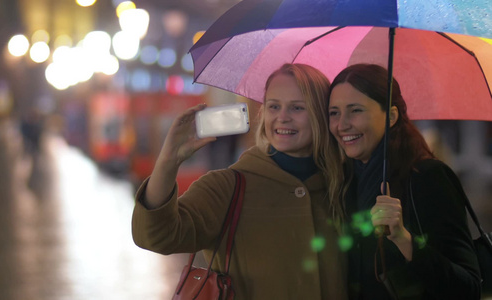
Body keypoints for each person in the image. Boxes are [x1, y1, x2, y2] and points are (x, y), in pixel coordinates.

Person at [132, 63, 347, 299]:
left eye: (297, 108)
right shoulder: (228, 186)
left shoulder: (342, 184)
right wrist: (168, 162)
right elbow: (157, 236)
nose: (282, 117)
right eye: (274, 106)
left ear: (320, 113)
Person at [327, 63, 481, 299]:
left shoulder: (427, 178)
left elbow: (468, 288)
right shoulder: (343, 182)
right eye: (334, 113)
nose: (341, 125)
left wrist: (403, 238)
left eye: (355, 110)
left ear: (390, 116)